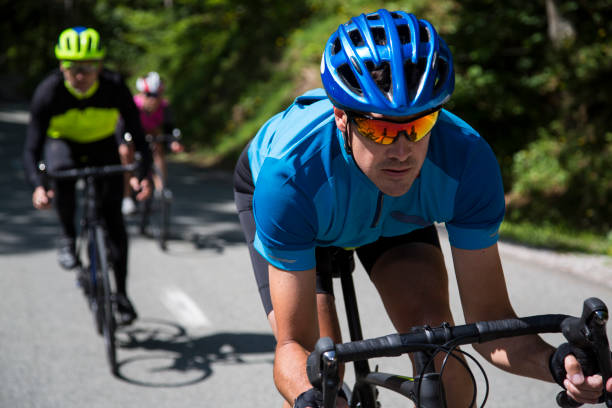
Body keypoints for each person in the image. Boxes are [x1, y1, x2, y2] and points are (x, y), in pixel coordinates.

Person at [233, 9, 612, 408]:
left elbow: (492, 317)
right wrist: (309, 397)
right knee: (323, 369)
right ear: (342, 117)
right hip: (306, 209)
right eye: (382, 130)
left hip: (397, 219)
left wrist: (557, 363)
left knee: (442, 352)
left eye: (418, 126)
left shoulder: (466, 161)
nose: (402, 152)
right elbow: (293, 344)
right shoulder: (289, 177)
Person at [23, 26, 152, 325]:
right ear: (62, 67)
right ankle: (68, 237)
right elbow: (31, 148)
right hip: (63, 144)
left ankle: (120, 294)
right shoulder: (48, 92)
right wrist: (38, 186)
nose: (81, 75)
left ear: (100, 66)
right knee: (62, 173)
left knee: (114, 221)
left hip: (102, 145)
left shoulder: (114, 86)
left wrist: (141, 174)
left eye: (88, 68)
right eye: (73, 68)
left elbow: (139, 137)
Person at [118, 71, 183, 215]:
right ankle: (127, 197)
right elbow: (121, 127)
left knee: (158, 148)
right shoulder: (134, 105)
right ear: (142, 94)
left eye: (157, 95)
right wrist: (124, 142)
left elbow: (169, 129)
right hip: (134, 136)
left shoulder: (164, 107)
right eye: (149, 95)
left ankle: (161, 189)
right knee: (125, 153)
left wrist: (174, 142)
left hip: (151, 135)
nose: (153, 99)